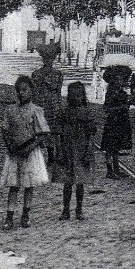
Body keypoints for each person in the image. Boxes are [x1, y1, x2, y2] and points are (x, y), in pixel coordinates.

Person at [0, 75, 50, 230]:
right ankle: (9, 216)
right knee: (13, 185)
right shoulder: (10, 110)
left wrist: (30, 148)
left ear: (31, 91)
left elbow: (43, 133)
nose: (21, 93)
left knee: (29, 185)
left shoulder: (36, 111)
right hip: (15, 151)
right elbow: (5, 130)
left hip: (30, 152)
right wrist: (10, 146)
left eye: (24, 90)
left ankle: (26, 215)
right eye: (18, 90)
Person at [54, 82, 95, 220]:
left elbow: (90, 135)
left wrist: (89, 151)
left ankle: (79, 209)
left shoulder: (87, 113)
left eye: (79, 95)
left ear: (83, 96)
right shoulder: (64, 113)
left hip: (81, 150)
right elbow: (58, 133)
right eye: (73, 96)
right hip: (67, 150)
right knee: (67, 182)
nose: (76, 98)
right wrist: (59, 150)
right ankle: (65, 210)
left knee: (80, 183)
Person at [31, 42, 63, 164]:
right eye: (46, 59)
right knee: (46, 131)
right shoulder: (39, 74)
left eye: (50, 59)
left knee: (50, 131)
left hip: (49, 106)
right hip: (46, 106)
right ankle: (49, 155)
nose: (48, 61)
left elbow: (58, 91)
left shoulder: (40, 74)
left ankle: (52, 155)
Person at [99, 65, 133, 180]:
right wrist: (122, 106)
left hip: (121, 120)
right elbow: (106, 108)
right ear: (114, 80)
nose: (122, 81)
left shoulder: (120, 91)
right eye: (120, 79)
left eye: (123, 79)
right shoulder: (111, 92)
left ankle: (116, 170)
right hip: (114, 120)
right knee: (110, 147)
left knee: (116, 147)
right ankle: (110, 171)